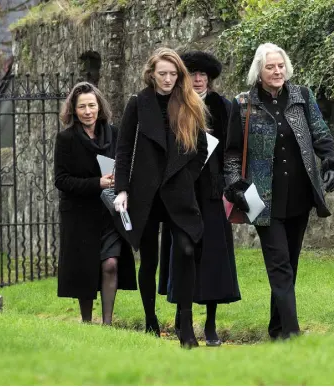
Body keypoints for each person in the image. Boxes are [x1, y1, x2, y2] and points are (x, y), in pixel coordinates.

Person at [224, 43, 334, 340]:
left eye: (280, 66)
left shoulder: (302, 96)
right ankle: (291, 334)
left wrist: (330, 162)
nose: (276, 71)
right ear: (259, 71)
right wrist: (235, 186)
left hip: (300, 196)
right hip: (262, 198)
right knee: (279, 266)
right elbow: (230, 153)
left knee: (289, 263)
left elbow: (320, 134)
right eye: (270, 67)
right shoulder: (242, 104)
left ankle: (276, 328)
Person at [113, 47, 208, 349]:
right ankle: (150, 319)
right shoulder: (138, 103)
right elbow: (124, 149)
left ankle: (185, 321)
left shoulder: (189, 102)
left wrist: (187, 178)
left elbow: (201, 149)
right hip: (147, 191)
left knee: (186, 249)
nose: (168, 79)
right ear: (151, 74)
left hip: (178, 189)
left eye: (173, 74)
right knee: (150, 258)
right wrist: (123, 190)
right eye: (162, 73)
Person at [158, 51, 241, 347]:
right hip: (182, 192)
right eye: (192, 73)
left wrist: (229, 184)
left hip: (212, 192)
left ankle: (211, 324)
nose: (198, 78)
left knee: (214, 258)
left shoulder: (223, 106)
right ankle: (184, 319)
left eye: (203, 74)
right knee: (184, 254)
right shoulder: (174, 106)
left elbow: (233, 149)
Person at [54, 82, 137, 325]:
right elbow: (61, 180)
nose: (88, 111)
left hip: (109, 212)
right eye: (82, 107)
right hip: (80, 215)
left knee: (111, 264)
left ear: (99, 107)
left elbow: (127, 165)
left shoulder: (115, 133)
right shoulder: (66, 139)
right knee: (86, 269)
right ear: (74, 110)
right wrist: (96, 183)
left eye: (92, 105)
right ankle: (87, 321)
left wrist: (122, 186)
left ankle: (108, 323)